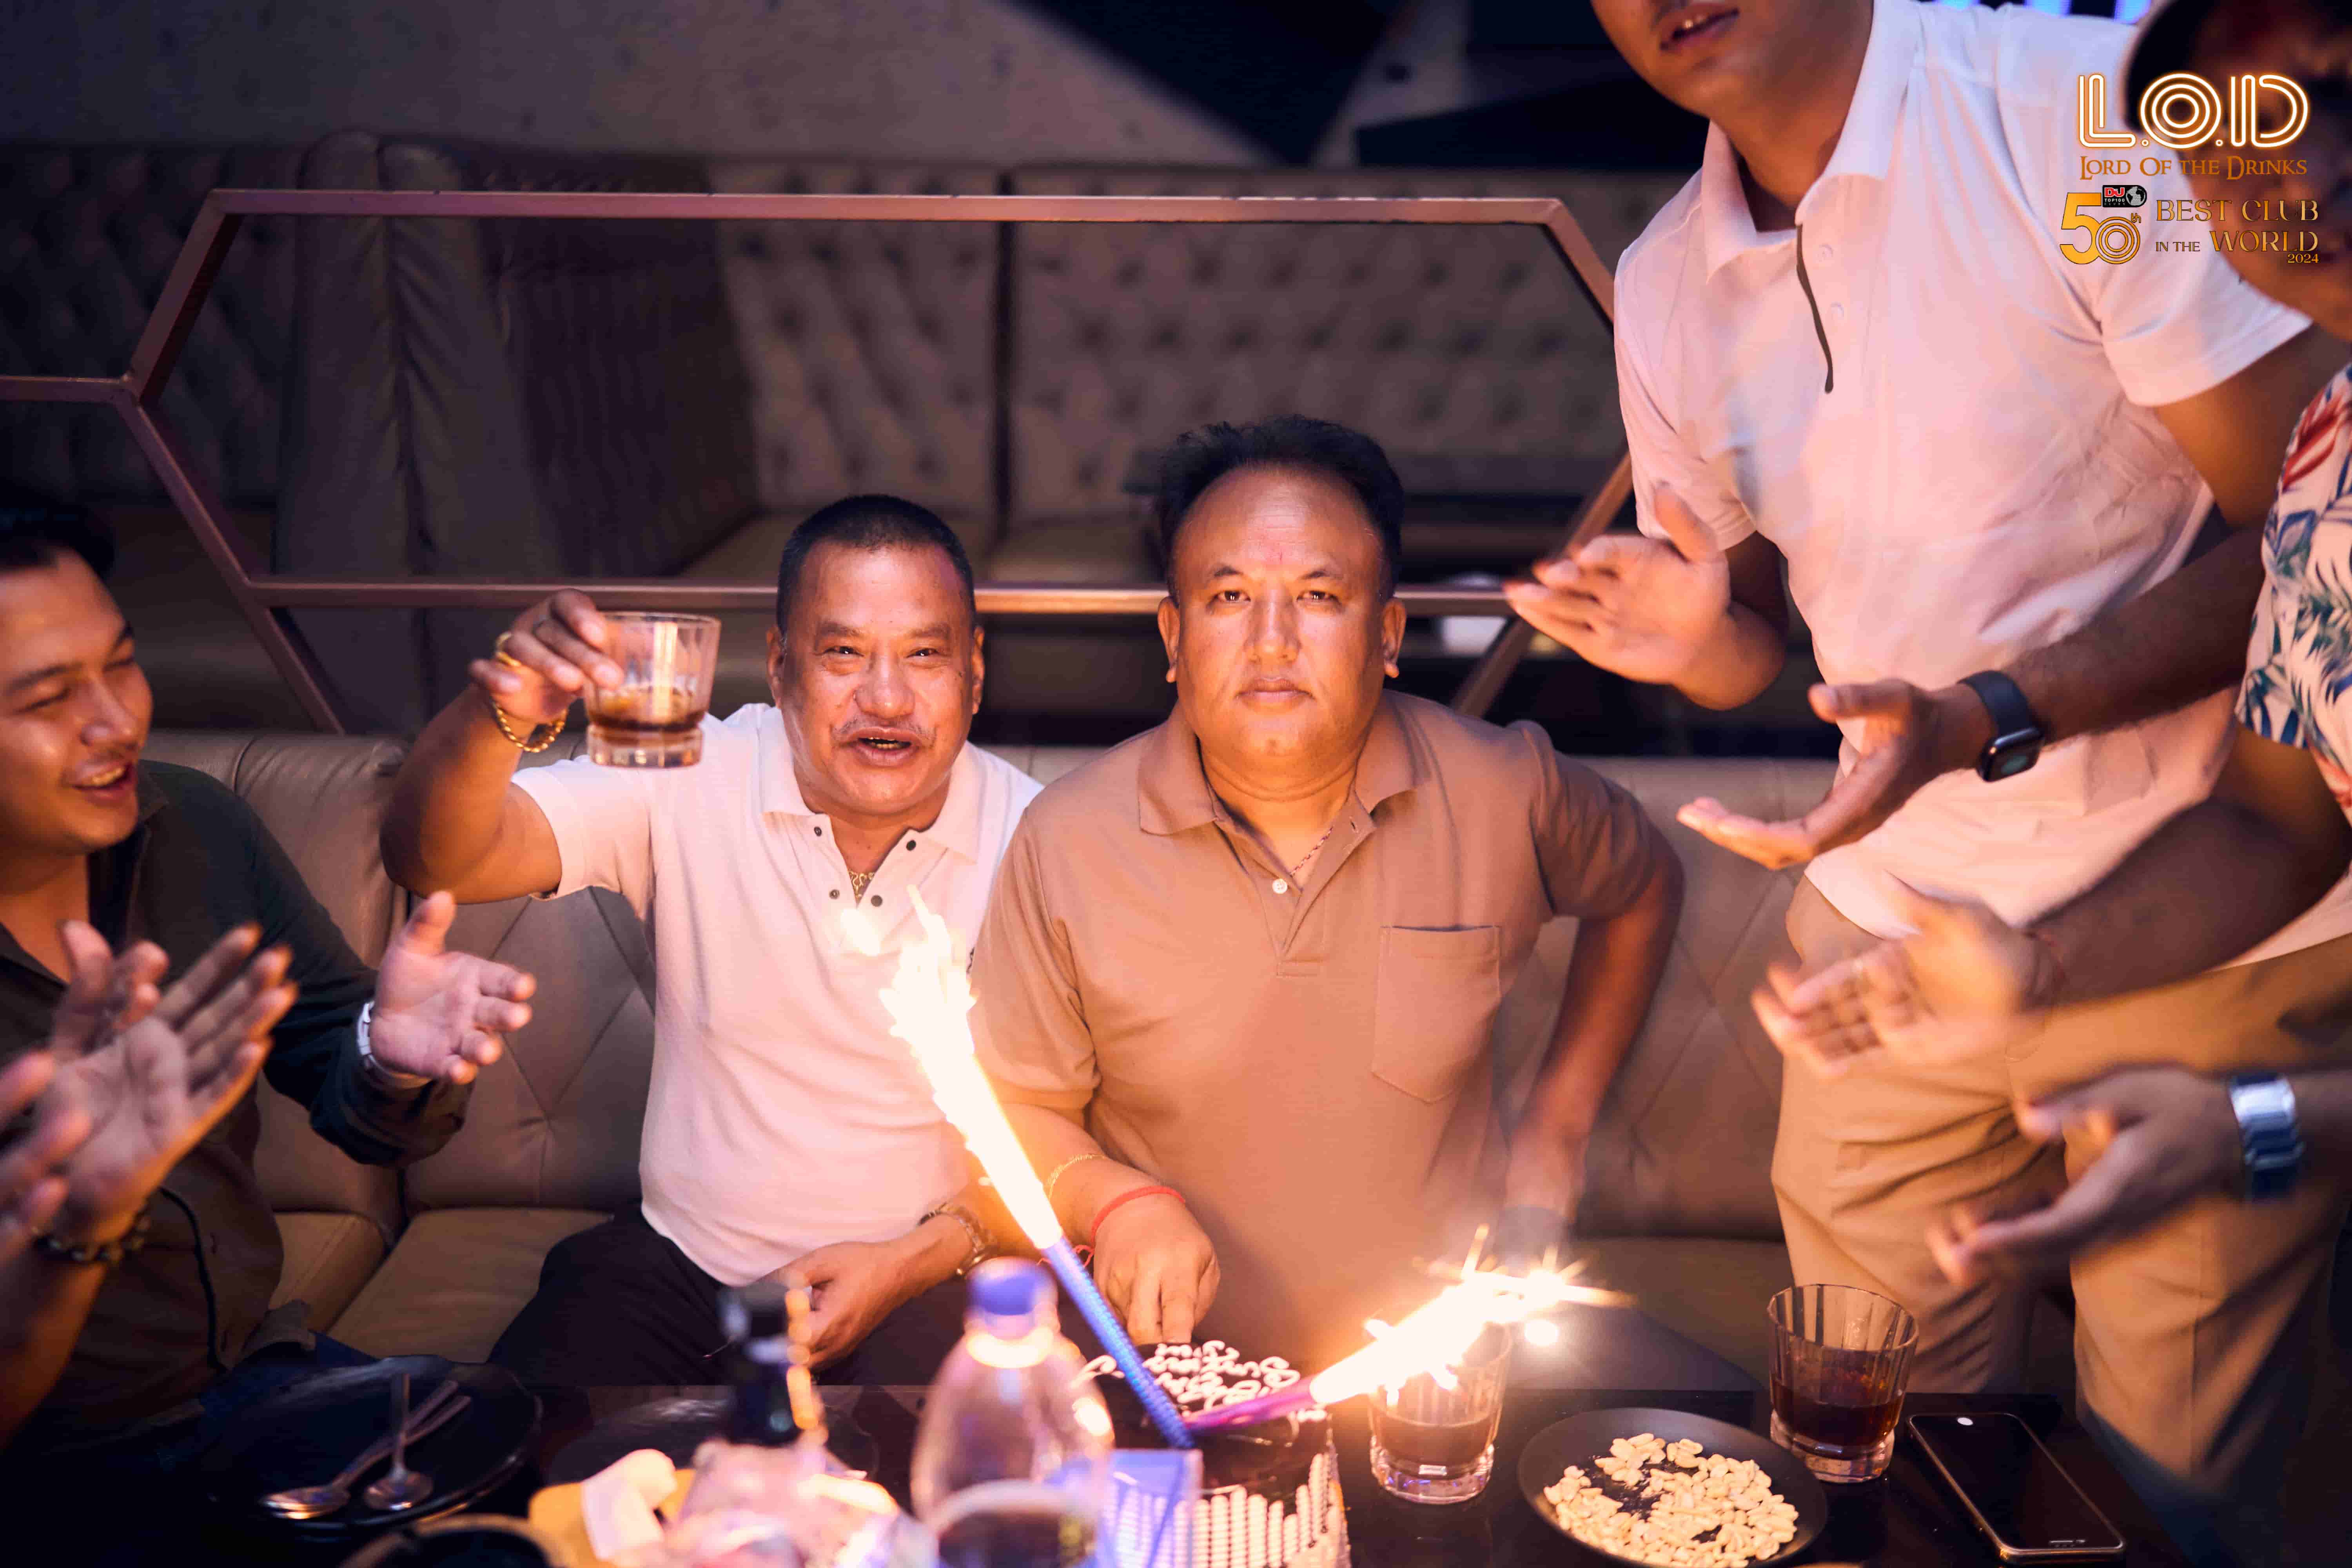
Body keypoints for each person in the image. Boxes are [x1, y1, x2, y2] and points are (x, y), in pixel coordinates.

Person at [1502, 0, 2352, 1551]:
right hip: (1889, 947)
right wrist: (1700, 640)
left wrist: (1988, 711)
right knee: (1857, 1484)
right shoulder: (1668, 283)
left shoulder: (2089, 114)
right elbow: (1761, 636)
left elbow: (2300, 531)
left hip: (2213, 918)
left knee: (2161, 1510)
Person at [1762, 0, 2352, 1348]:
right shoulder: (2328, 457)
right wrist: (2034, 968)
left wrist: (2251, 1126)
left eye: (2338, 93)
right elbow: (2276, 822)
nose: (2306, 173)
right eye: (2237, 155)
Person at [971, 417, 1685, 1368]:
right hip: (1171, 1371)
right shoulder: (1068, 836)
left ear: (1387, 634)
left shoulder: (1503, 788)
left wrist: (1556, 1129)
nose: (1271, 641)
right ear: (1174, 637)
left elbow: (1645, 882)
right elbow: (1008, 1109)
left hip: (1440, 1373)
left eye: (1317, 595)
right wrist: (1115, 1198)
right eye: (1229, 596)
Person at [382, 495, 1037, 1384]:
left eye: (925, 654)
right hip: (683, 1272)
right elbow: (433, 857)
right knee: (527, 1439)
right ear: (779, 666)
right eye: (843, 653)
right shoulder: (690, 765)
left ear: (975, 672)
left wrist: (921, 1258)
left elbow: (1078, 1135)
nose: (886, 698)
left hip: (928, 1279)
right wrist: (499, 709)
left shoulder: (1036, 836)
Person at [0, 510, 535, 1459]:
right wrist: (76, 1227)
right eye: (48, 699)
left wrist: (385, 1055)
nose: (118, 721)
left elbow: (362, 1109)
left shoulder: (193, 825)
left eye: (122, 663)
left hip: (256, 1380)